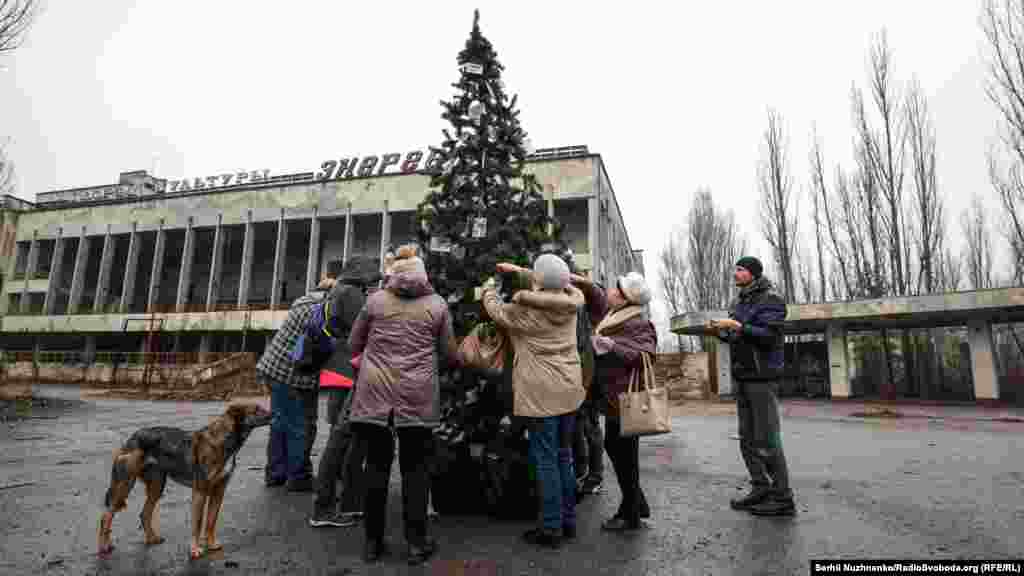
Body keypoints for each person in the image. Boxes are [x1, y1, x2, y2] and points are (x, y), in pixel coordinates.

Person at [347, 245, 459, 565]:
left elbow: (354, 343)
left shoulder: (375, 301)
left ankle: (372, 543)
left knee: (376, 468)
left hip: (374, 395)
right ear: (423, 275)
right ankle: (416, 543)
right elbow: (450, 354)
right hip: (417, 396)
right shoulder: (437, 305)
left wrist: (370, 364)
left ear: (394, 274)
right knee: (416, 471)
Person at [486, 256, 586, 549]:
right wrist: (520, 271)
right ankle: (568, 521)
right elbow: (550, 282)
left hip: (541, 394)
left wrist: (489, 288)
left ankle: (551, 528)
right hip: (569, 389)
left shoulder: (525, 310)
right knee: (564, 456)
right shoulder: (571, 305)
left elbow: (496, 311)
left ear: (538, 280)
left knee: (545, 460)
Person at [707, 256, 795, 517]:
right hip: (743, 377)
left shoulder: (771, 300)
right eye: (735, 269)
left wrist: (738, 326)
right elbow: (738, 336)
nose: (735, 273)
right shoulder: (739, 302)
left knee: (767, 439)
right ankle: (761, 487)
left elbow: (770, 337)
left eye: (741, 269)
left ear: (754, 274)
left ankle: (783, 497)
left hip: (762, 377)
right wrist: (721, 331)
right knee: (747, 439)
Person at [571, 269, 656, 532]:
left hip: (626, 399)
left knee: (626, 457)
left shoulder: (637, 322)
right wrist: (583, 282)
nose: (609, 291)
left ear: (624, 297)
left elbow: (646, 355)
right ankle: (636, 504)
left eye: (615, 289)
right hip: (612, 397)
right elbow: (597, 297)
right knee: (616, 449)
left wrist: (612, 347)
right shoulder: (614, 316)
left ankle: (630, 516)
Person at [310, 256, 379, 528]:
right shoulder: (350, 293)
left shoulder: (338, 289)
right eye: (372, 274)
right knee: (343, 438)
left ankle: (347, 502)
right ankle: (326, 505)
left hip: (338, 367)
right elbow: (368, 330)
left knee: (344, 436)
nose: (375, 279)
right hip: (349, 370)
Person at [259, 261, 340, 492]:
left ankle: (276, 473)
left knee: (280, 423)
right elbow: (325, 342)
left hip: (273, 368)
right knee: (302, 424)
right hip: (293, 374)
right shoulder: (322, 308)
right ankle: (298, 476)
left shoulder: (304, 300)